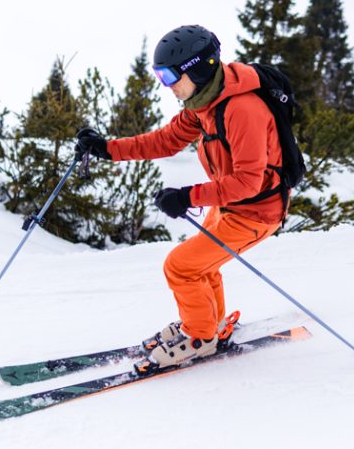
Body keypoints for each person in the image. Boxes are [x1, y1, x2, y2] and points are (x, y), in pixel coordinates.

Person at [75, 24, 288, 369]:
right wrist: (107, 149)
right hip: (230, 204)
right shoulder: (204, 102)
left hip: (256, 211)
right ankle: (211, 325)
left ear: (198, 69)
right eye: (161, 76)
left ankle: (199, 337)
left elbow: (250, 182)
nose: (167, 85)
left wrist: (189, 196)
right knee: (202, 266)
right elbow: (165, 140)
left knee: (181, 267)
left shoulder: (241, 109)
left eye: (170, 76)